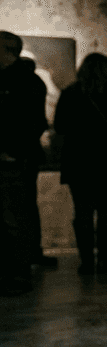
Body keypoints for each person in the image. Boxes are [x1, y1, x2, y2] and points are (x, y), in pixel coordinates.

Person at [53, 53, 107, 275]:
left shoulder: (70, 94)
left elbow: (59, 126)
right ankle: (104, 260)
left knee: (82, 212)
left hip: (78, 161)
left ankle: (86, 262)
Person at [0, 31, 51, 294]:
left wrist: (12, 151)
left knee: (15, 218)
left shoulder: (27, 82)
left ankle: (17, 274)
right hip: (14, 158)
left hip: (15, 160)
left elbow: (33, 122)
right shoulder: (23, 80)